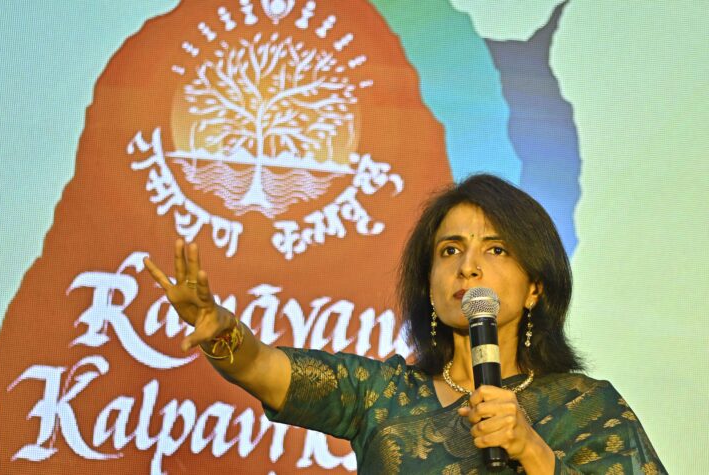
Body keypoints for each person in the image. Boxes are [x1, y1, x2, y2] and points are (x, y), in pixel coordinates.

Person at [144, 174, 666, 474]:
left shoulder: (587, 407)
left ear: (536, 287)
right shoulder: (382, 395)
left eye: (496, 250)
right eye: (450, 250)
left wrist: (533, 451)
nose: (469, 267)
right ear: (429, 286)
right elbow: (262, 367)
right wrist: (221, 331)